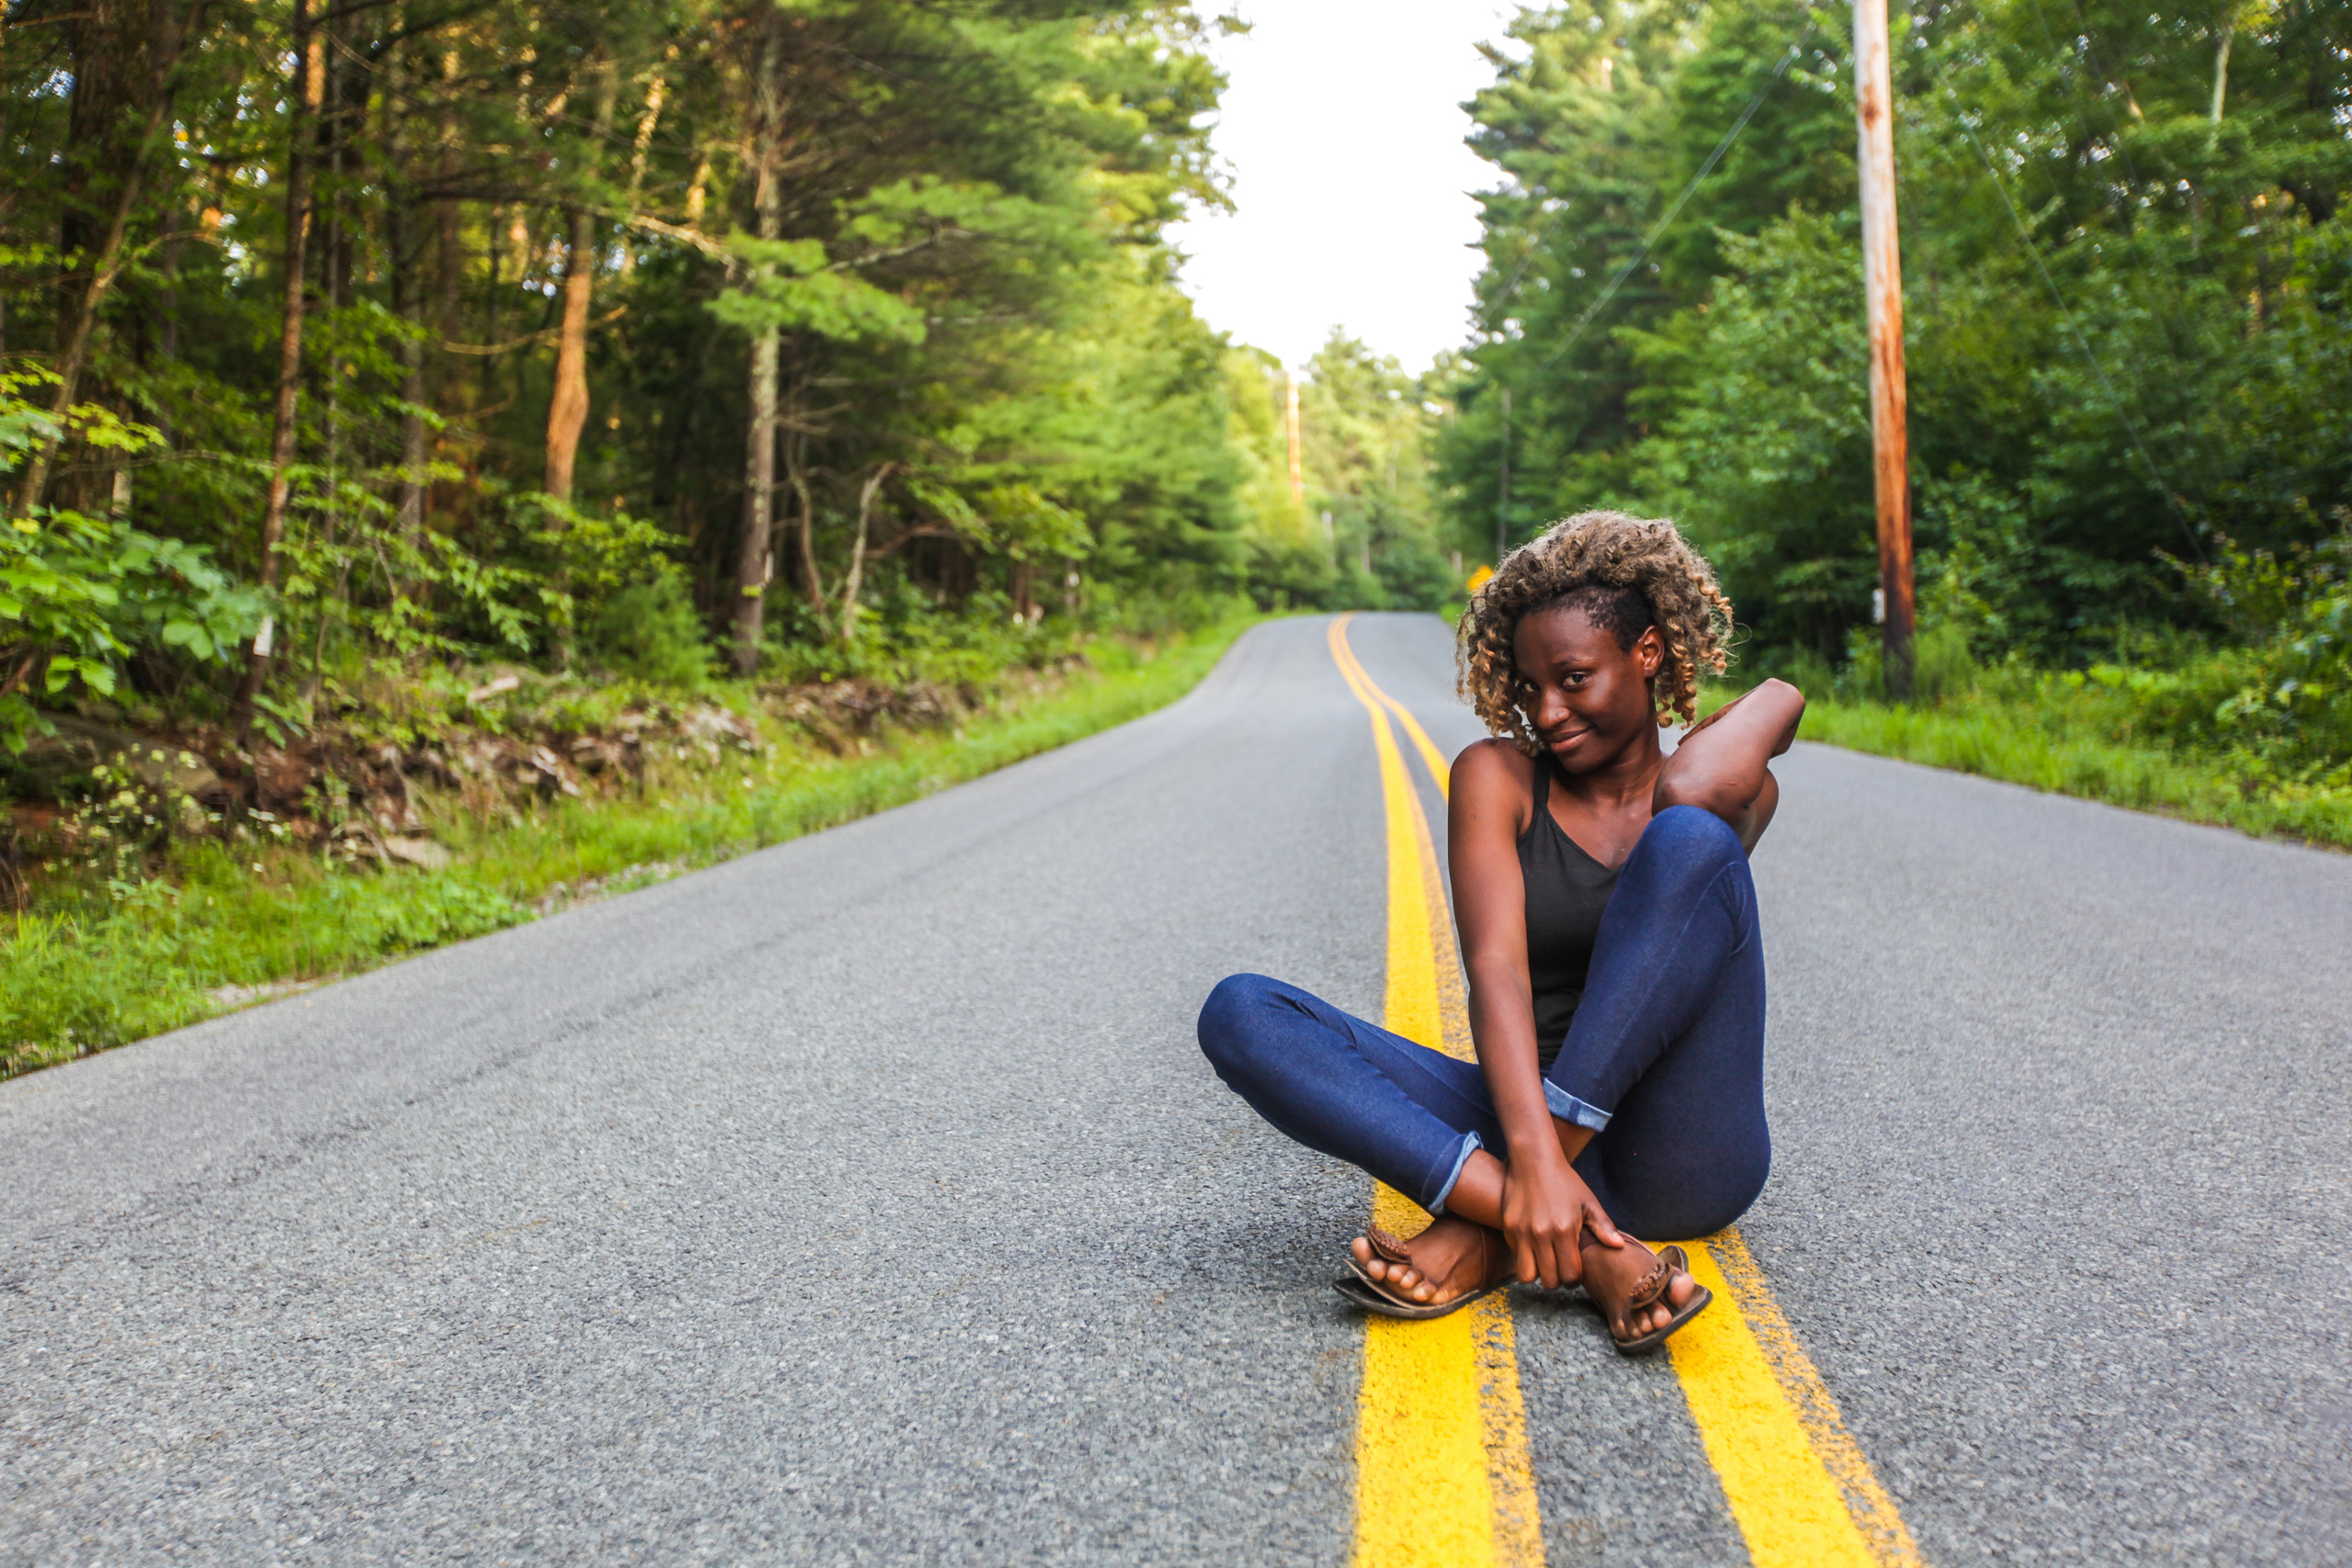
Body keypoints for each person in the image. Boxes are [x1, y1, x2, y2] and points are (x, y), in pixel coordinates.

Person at [1197, 512, 1804, 1354]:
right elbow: (1495, 971)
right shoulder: (1498, 777)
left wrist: (1784, 691)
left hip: (1682, 1153)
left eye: (1575, 678)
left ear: (1650, 654)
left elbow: (1695, 789)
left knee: (1691, 841)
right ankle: (1583, 1242)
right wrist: (1538, 1160)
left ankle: (1486, 1228)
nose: (1547, 711)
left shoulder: (1723, 802)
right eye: (1528, 686)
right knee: (1242, 1013)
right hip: (1516, 1113)